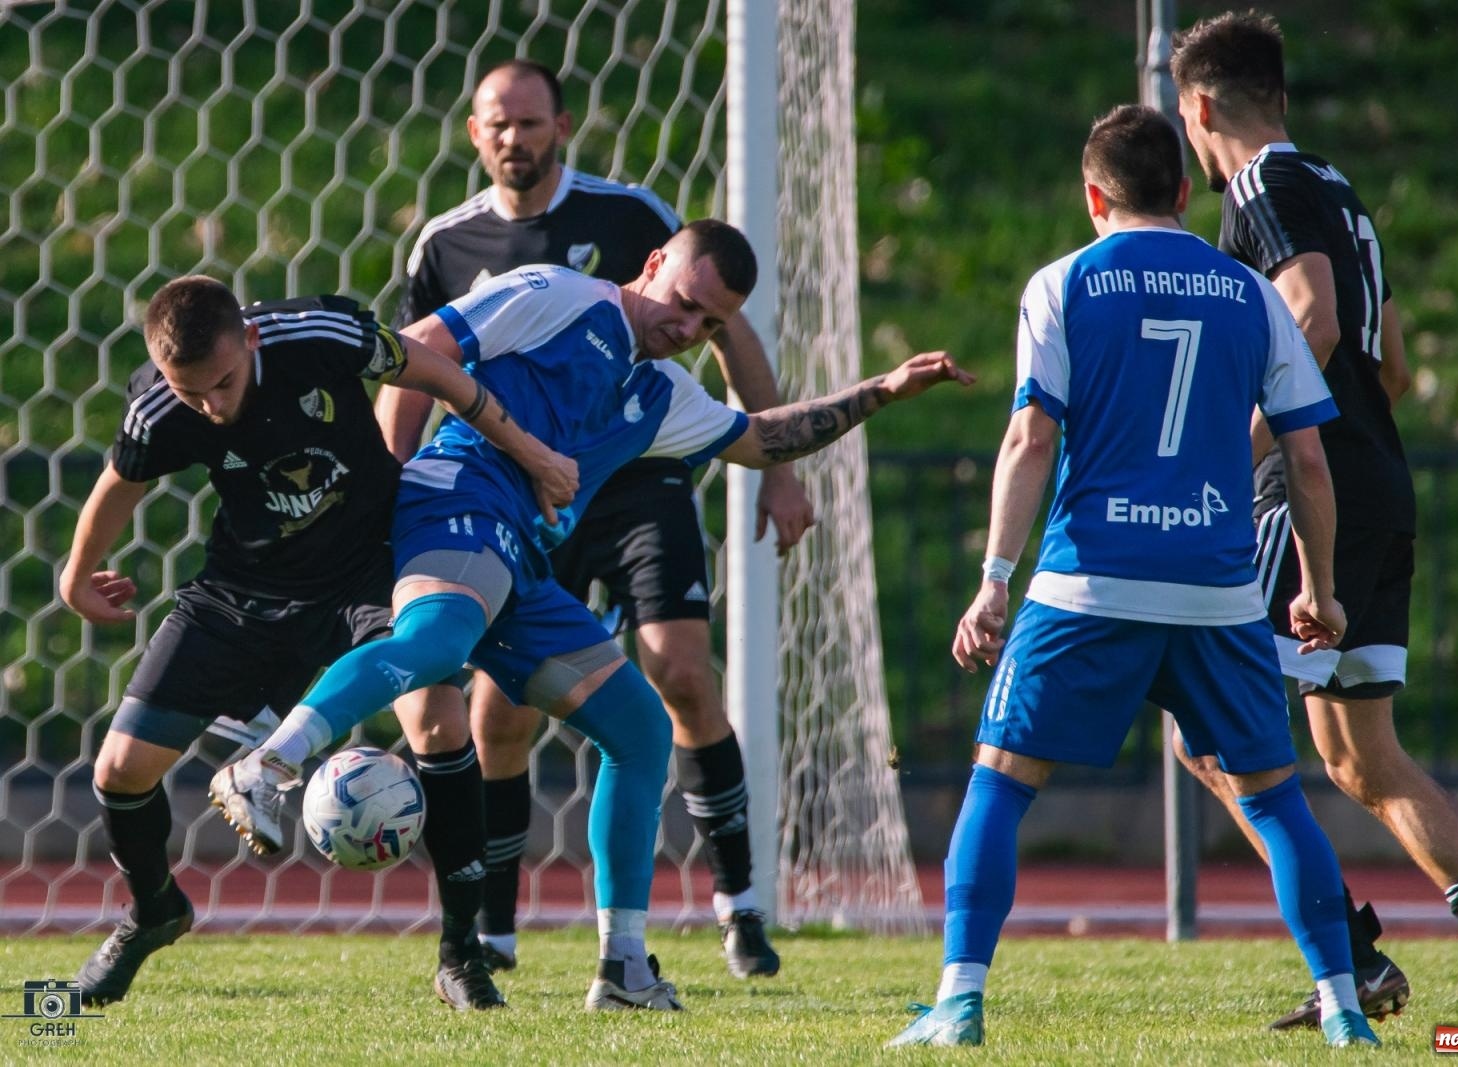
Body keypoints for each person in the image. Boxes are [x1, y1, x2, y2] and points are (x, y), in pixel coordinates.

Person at [209, 220, 972, 1012]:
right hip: (456, 496)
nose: (688, 329)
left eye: (709, 324)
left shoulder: (665, 396)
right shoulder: (558, 294)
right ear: (652, 264)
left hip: (522, 567)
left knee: (640, 730)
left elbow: (760, 439)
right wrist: (385, 482)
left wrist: (880, 391)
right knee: (436, 643)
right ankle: (267, 763)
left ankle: (624, 967)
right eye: (683, 303)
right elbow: (419, 346)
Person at [888, 105, 1378, 1049]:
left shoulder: (1063, 283)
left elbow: (1032, 437)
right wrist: (1317, 588)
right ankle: (1347, 1010)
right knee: (1274, 797)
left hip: (1088, 585)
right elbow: (1309, 464)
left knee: (1001, 781)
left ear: (1092, 195)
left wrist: (994, 577)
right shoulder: (1250, 294)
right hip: (1217, 589)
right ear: (1185, 193)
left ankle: (958, 1002)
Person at [1170, 11, 1458, 1035]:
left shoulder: (1260, 188)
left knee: (1207, 729)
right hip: (1379, 480)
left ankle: (1346, 957)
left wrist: (1247, 440)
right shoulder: (1342, 193)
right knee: (1359, 754)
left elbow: (1305, 314)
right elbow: (1389, 364)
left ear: (1199, 108)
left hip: (1314, 488)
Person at [393, 59, 813, 979]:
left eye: (531, 122)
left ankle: (740, 906)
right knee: (497, 708)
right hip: (522, 492)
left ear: (561, 126)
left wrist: (779, 472)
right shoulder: (445, 243)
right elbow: (415, 365)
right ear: (474, 132)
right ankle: (495, 930)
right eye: (498, 124)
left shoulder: (630, 217)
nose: (516, 139)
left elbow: (724, 323)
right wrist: (398, 484)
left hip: (634, 479)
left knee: (682, 673)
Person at [59, 275, 565, 1008]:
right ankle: (154, 911)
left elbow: (440, 372)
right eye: (192, 392)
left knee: (440, 720)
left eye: (224, 384)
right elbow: (119, 483)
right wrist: (76, 577)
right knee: (119, 769)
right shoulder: (161, 405)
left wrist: (531, 455)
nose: (212, 405)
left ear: (252, 339)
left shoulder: (321, 337)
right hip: (246, 587)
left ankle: (462, 952)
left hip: (375, 563)